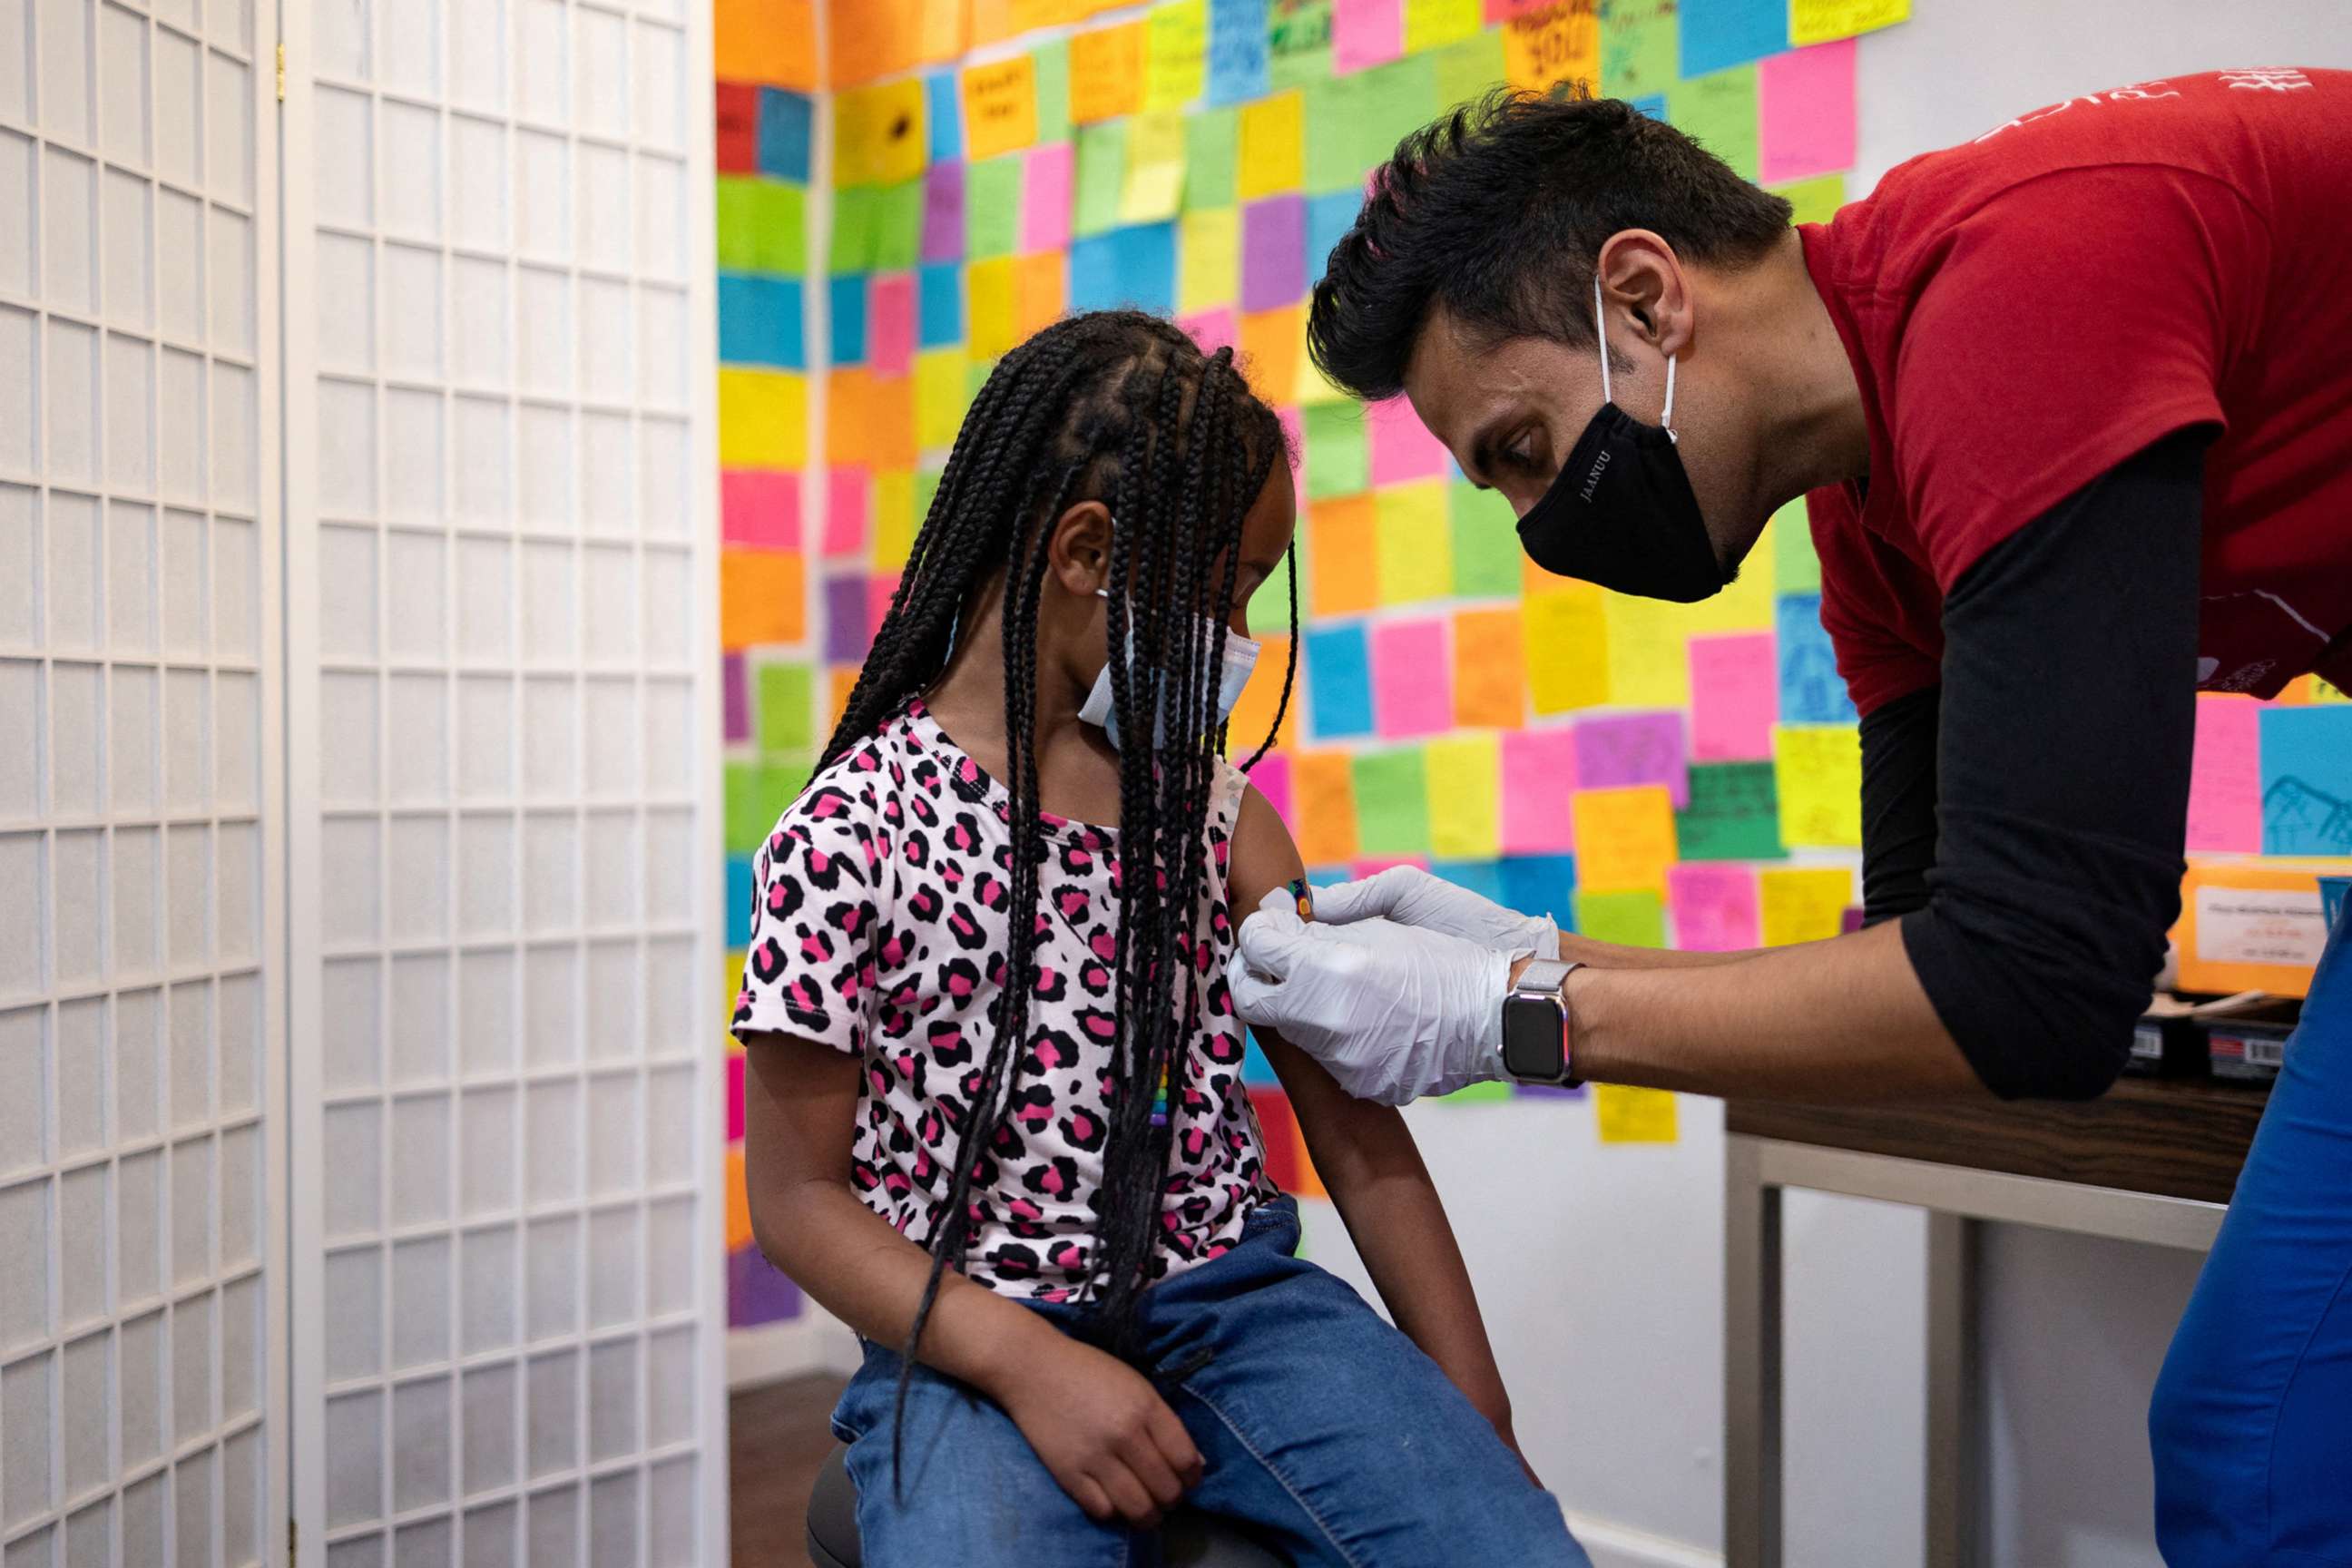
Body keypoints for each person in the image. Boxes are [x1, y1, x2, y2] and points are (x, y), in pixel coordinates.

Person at [1230, 77, 2352, 1562]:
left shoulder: (2023, 284)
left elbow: (2039, 988)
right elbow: (1934, 974)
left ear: (1645, 296)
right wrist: (1546, 956)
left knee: (2260, 1462)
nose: (1538, 523)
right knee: (2259, 1450)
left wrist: (1519, 1019)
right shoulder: (1871, 511)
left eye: (1519, 448)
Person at [734, 311, 1591, 1567]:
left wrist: (1478, 1419)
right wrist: (1024, 1359)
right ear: (1086, 552)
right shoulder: (848, 833)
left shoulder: (1223, 821)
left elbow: (1353, 1130)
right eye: (1227, 590)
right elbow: (798, 1203)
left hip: (1233, 1312)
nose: (1239, 637)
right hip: (965, 1343)